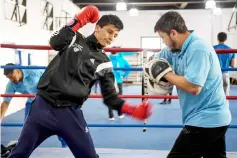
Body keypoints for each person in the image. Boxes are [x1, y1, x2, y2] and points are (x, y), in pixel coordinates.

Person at [8, 5, 152, 158]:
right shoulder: (74, 37)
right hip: (43, 108)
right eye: (110, 32)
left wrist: (132, 110)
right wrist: (78, 20)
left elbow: (110, 97)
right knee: (19, 154)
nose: (111, 38)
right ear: (97, 28)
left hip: (70, 115)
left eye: (115, 35)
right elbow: (55, 41)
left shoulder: (105, 62)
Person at [149, 11, 231, 158]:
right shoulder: (173, 50)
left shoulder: (198, 48)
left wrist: (165, 74)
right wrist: (152, 64)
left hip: (205, 120)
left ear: (173, 33)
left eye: (163, 37)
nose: (163, 42)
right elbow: (154, 60)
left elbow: (193, 87)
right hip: (211, 120)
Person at [0, 63, 68, 150]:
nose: (11, 80)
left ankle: (66, 146)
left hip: (47, 99)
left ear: (17, 71)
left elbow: (51, 76)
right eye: (9, 78)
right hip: (31, 102)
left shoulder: (33, 71)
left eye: (12, 77)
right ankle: (24, 150)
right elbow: (6, 102)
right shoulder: (12, 84)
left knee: (57, 123)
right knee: (27, 127)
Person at [107, 50, 135, 120]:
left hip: (109, 80)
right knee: (118, 98)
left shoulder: (106, 58)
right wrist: (123, 75)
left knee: (110, 97)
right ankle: (120, 114)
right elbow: (129, 68)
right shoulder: (120, 59)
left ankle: (111, 116)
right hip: (118, 80)